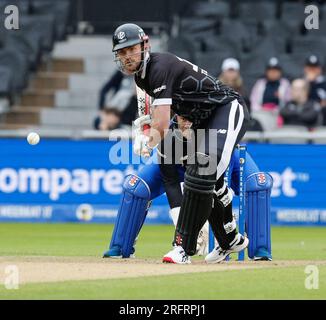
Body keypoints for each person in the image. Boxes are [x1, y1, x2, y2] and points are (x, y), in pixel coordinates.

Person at [111, 23, 250, 264]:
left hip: (226, 109)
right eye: (121, 53)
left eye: (131, 49)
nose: (127, 57)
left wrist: (148, 138)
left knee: (202, 169)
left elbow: (162, 123)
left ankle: (183, 248)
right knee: (192, 168)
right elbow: (180, 105)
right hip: (200, 120)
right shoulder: (142, 78)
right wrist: (178, 127)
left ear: (145, 45)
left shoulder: (159, 66)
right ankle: (230, 240)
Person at [104, 115, 273, 261]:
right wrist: (182, 227)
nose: (186, 123)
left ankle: (258, 248)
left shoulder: (210, 134)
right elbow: (171, 184)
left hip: (220, 159)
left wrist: (202, 225)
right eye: (182, 118)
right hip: (178, 163)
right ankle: (121, 247)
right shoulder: (168, 140)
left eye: (189, 119)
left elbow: (214, 186)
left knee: (258, 184)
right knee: (135, 187)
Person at [303, 55, 326, 125]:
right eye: (310, 67)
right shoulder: (300, 82)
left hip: (321, 113)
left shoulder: (324, 82)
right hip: (304, 112)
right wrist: (308, 83)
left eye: (315, 67)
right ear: (305, 69)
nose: (312, 70)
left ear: (319, 69)